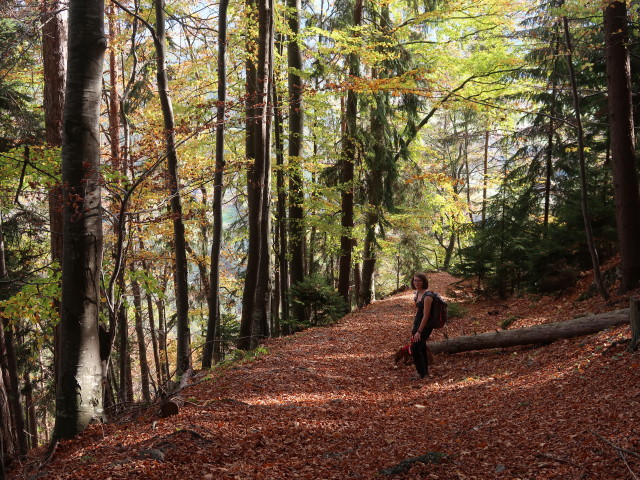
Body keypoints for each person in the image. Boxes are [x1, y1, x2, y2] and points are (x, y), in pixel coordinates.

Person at [410, 272, 433, 379]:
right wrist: (414, 329)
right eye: (415, 280)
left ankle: (421, 373)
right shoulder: (417, 294)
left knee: (415, 349)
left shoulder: (427, 296)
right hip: (417, 324)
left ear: (424, 282)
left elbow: (426, 316)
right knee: (421, 347)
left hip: (425, 326)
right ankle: (424, 372)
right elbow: (418, 313)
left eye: (419, 280)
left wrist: (419, 331)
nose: (416, 282)